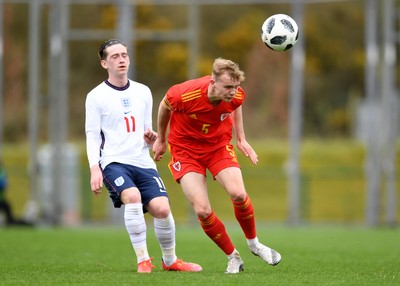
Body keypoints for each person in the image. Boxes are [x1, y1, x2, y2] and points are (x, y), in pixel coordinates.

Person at [153, 57, 282, 274]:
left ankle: (254, 244)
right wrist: (161, 139)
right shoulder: (184, 93)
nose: (233, 92)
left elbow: (236, 105)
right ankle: (233, 257)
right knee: (203, 211)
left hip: (217, 146)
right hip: (186, 152)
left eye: (236, 86)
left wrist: (241, 139)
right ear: (213, 83)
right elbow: (164, 107)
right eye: (228, 87)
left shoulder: (236, 94)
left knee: (239, 194)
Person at [85, 39, 202, 273]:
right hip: (113, 162)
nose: (121, 59)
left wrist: (151, 138)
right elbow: (92, 135)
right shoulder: (96, 96)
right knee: (132, 196)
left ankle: (170, 261)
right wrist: (94, 168)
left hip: (142, 161)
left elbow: (147, 133)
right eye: (115, 56)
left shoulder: (143, 91)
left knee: (161, 208)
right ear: (104, 63)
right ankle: (143, 260)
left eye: (124, 55)